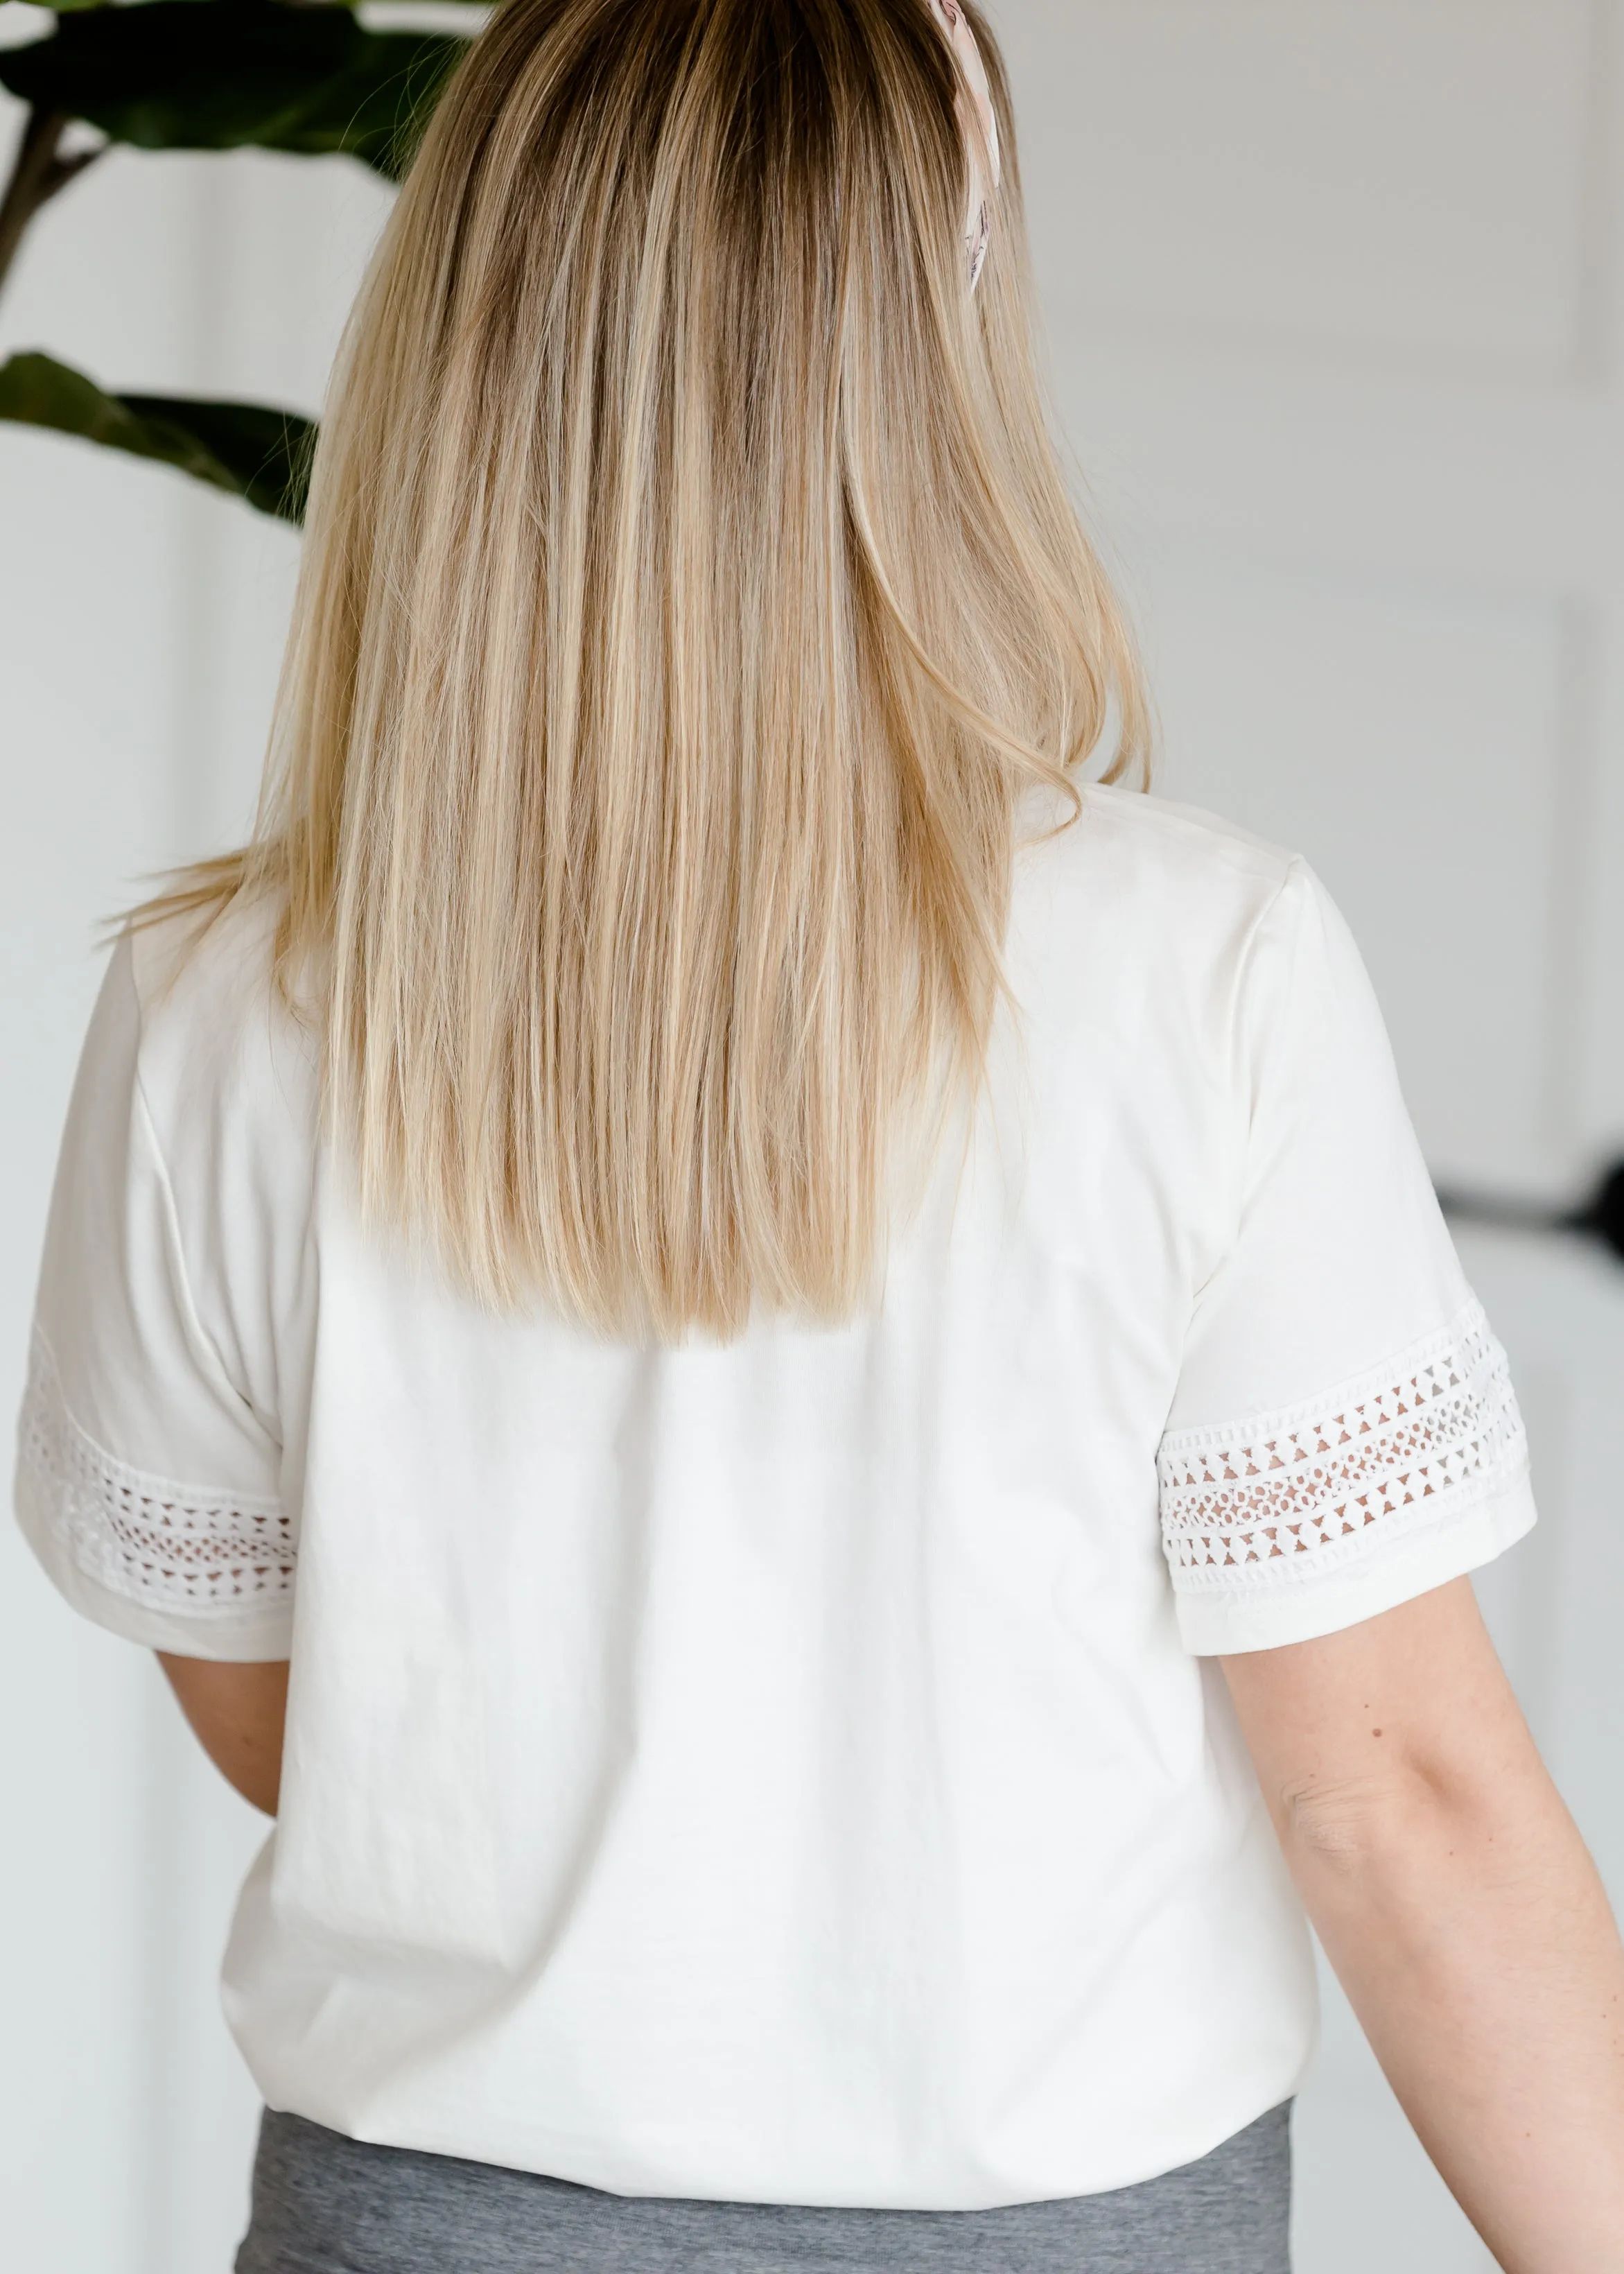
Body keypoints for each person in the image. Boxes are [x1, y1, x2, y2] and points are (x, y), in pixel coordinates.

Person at [13, 1, 1624, 2267]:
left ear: (465, 324)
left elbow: (286, 1712)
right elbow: (1393, 1795)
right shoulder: (1203, 965)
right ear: (931, 339)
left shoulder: (215, 1006)